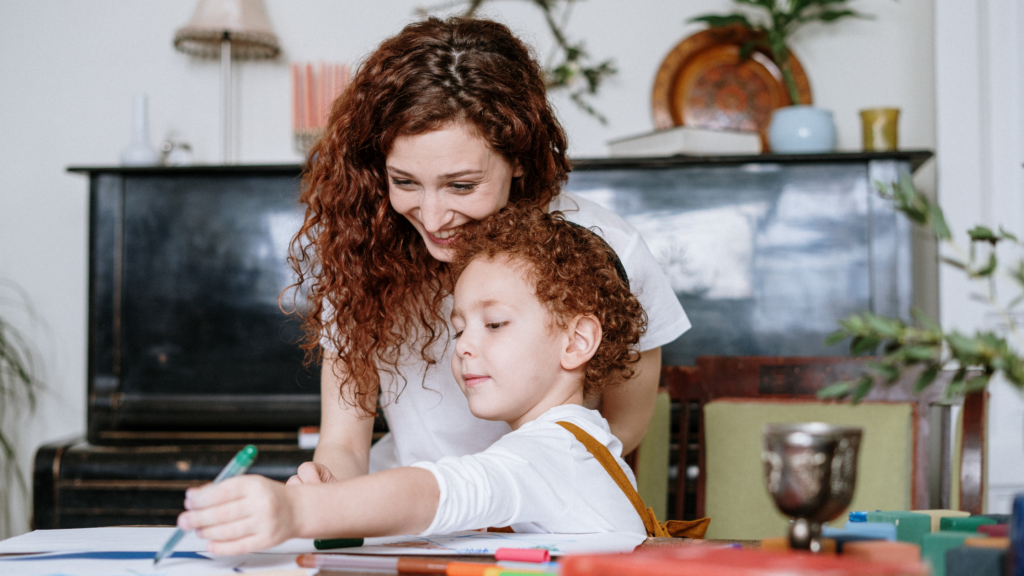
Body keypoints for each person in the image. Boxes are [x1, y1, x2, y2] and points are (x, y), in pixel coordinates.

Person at [287, 17, 690, 488]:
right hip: (407, 517)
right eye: (405, 182)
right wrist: (325, 487)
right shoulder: (363, 252)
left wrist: (505, 497)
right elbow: (344, 444)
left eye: (461, 185)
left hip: (542, 506)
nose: (434, 219)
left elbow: (623, 428)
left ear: (518, 157)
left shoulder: (609, 250)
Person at [178, 208, 654, 553]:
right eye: (459, 328)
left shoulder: (553, 452)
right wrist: (337, 501)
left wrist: (298, 511)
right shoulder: (569, 442)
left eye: (494, 324)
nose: (464, 345)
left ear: (576, 341)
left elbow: (438, 491)